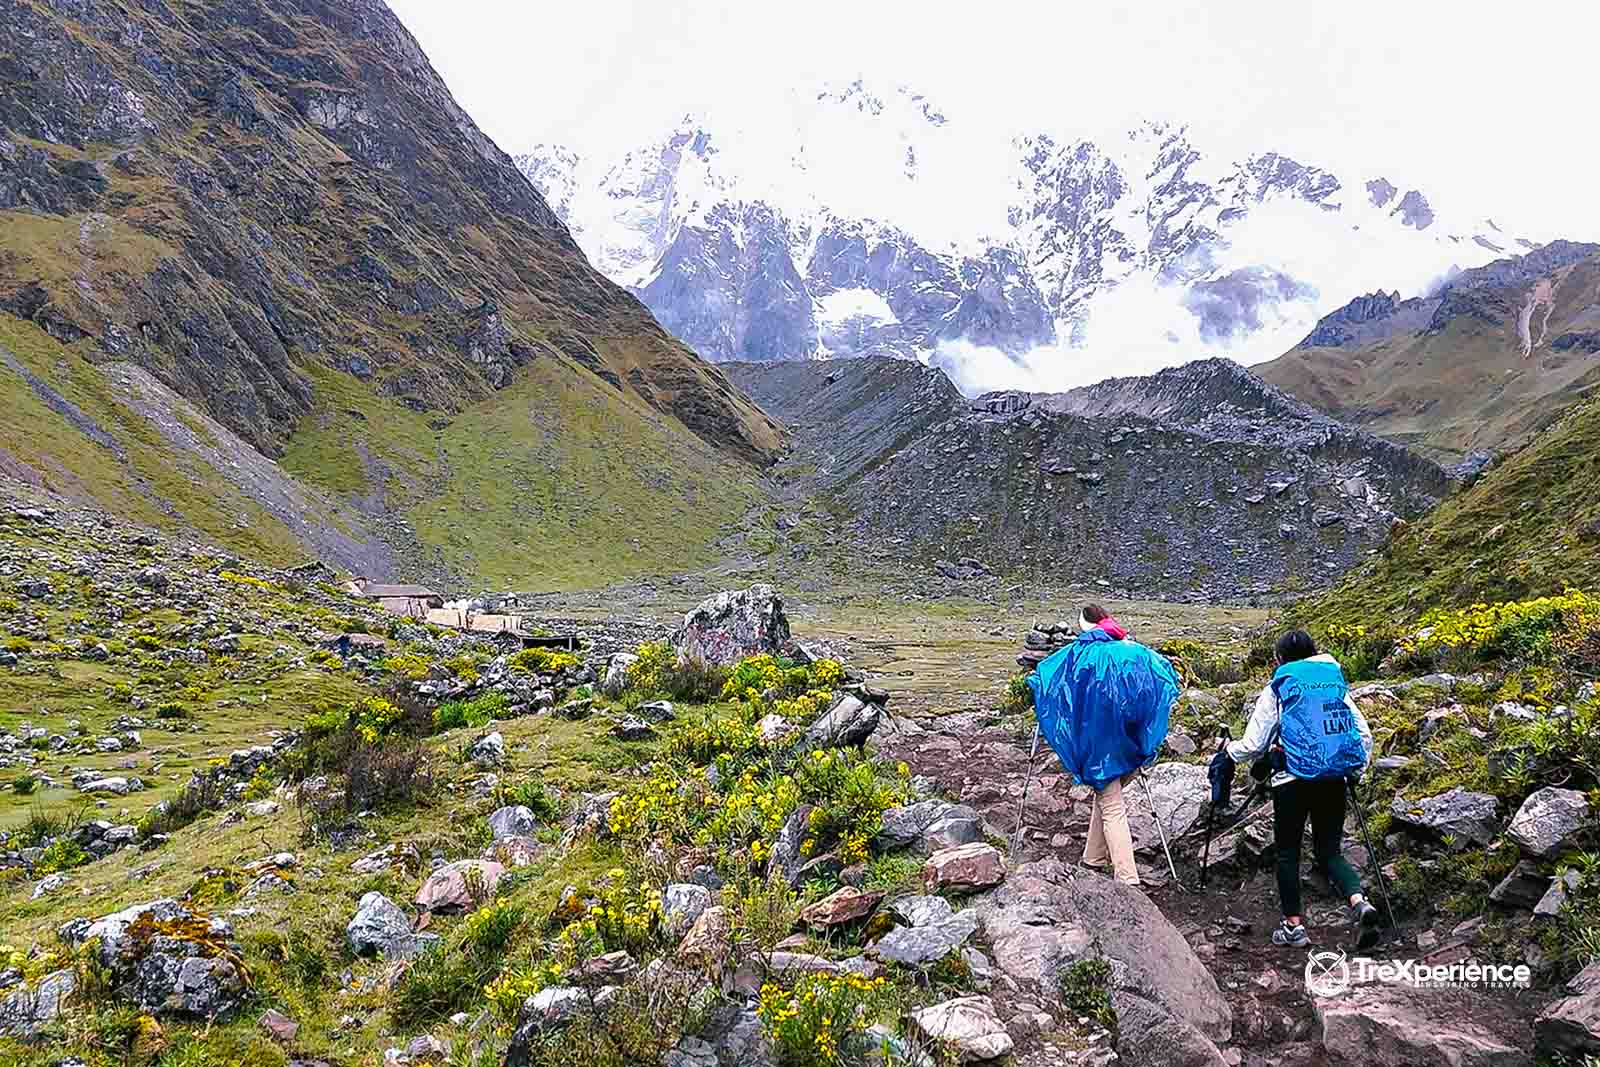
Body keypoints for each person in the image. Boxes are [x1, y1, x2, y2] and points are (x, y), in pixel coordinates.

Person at [1226, 629, 1380, 949]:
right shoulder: (1332, 682)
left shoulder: (1279, 687)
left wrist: (1229, 751)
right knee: (1329, 851)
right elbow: (1362, 734)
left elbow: (1255, 744)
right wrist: (1356, 771)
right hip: (1334, 778)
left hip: (1291, 781)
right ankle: (1359, 903)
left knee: (1287, 854)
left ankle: (1293, 926)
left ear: (1279, 659)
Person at [1030, 603, 1178, 887]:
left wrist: (1036, 688)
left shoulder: (1078, 654)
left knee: (1112, 806)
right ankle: (1093, 858)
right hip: (1132, 742)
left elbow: (1047, 679)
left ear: (1085, 624)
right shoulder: (1135, 650)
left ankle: (1127, 879)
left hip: (1100, 747)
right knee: (1107, 797)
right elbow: (1165, 676)